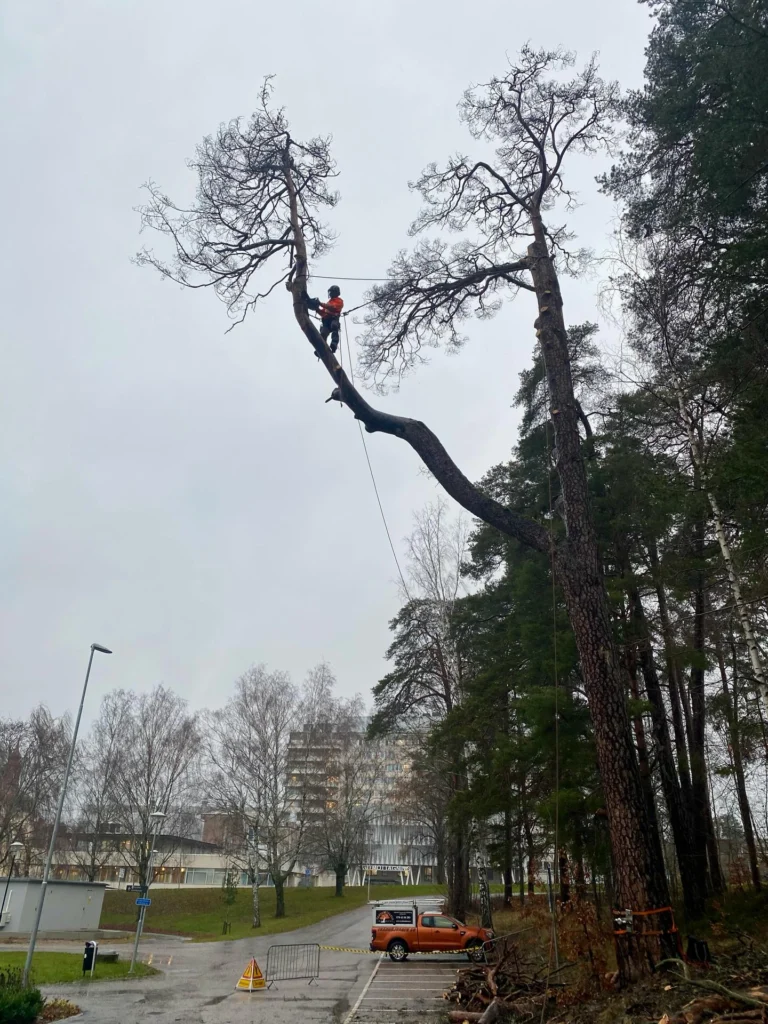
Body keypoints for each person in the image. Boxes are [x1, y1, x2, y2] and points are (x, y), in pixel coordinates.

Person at [305, 285, 344, 352]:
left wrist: (320, 303)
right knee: (323, 333)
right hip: (326, 321)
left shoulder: (339, 301)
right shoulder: (329, 302)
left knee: (334, 326)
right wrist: (317, 309)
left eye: (331, 292)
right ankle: (321, 349)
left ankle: (334, 344)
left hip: (333, 319)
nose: (330, 294)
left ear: (335, 292)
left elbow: (332, 307)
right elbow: (323, 313)